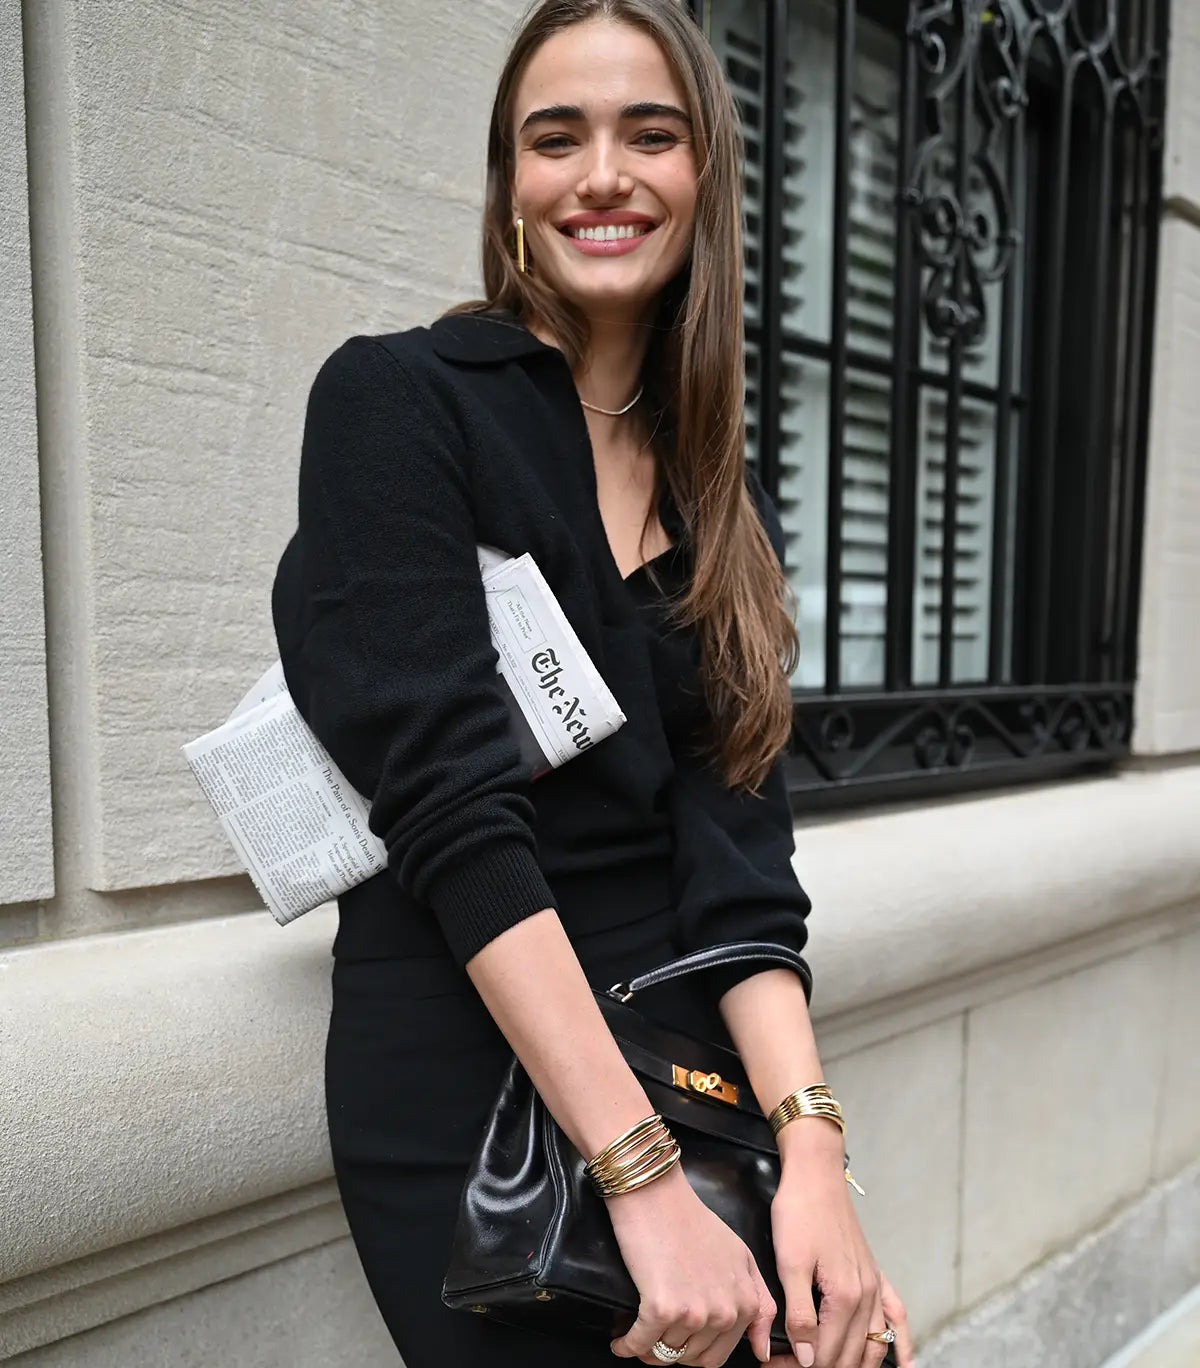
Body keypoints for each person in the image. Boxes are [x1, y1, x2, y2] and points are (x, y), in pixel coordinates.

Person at [271, 2, 913, 1365]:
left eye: (650, 134)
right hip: (475, 1064)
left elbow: (742, 867)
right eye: (556, 138)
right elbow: (450, 810)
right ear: (512, 188)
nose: (603, 173)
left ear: (704, 180)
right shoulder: (401, 404)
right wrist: (639, 1177)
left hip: (688, 1055)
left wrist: (813, 1160)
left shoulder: (720, 512)